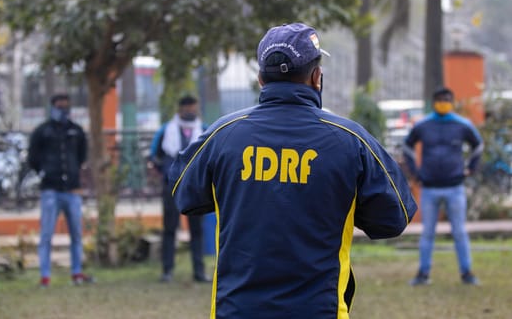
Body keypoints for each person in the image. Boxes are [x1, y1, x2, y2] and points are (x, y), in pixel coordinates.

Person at [168, 22, 417, 319]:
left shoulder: (223, 134)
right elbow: (393, 218)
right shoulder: (351, 141)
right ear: (316, 77)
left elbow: (185, 194)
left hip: (236, 311)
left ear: (261, 79)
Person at [404, 87, 484, 286]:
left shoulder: (462, 124)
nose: (443, 102)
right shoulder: (423, 125)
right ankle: (423, 274)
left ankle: (467, 273)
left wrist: (471, 168)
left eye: (447, 99)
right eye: (440, 99)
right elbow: (407, 146)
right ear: (434, 102)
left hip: (455, 187)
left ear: (452, 102)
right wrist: (415, 171)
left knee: (459, 232)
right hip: (429, 188)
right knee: (428, 233)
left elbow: (478, 145)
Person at [28, 93, 92, 287]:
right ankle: (45, 276)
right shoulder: (42, 131)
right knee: (46, 234)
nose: (63, 110)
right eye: (59, 106)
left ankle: (76, 273)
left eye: (66, 106)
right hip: (50, 189)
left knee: (76, 234)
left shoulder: (76, 130)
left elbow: (82, 156)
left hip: (72, 189)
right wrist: (45, 172)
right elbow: (32, 158)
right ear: (52, 107)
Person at [150, 95, 210, 283]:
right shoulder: (165, 130)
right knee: (169, 229)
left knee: (196, 230)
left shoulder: (204, 130)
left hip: (195, 188)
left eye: (193, 109)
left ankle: (199, 272)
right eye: (187, 109)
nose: (190, 112)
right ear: (180, 110)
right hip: (171, 187)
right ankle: (167, 270)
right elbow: (154, 155)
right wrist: (167, 173)